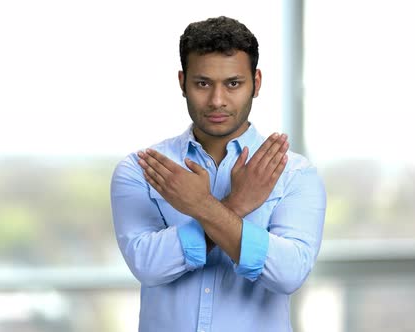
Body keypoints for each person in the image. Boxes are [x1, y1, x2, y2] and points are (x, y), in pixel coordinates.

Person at [110, 16, 326, 332]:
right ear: (182, 82)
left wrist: (202, 206)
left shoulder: (294, 174)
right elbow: (148, 265)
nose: (217, 101)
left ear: (257, 82)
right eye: (203, 83)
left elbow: (288, 274)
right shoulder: (143, 169)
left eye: (233, 84)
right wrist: (236, 204)